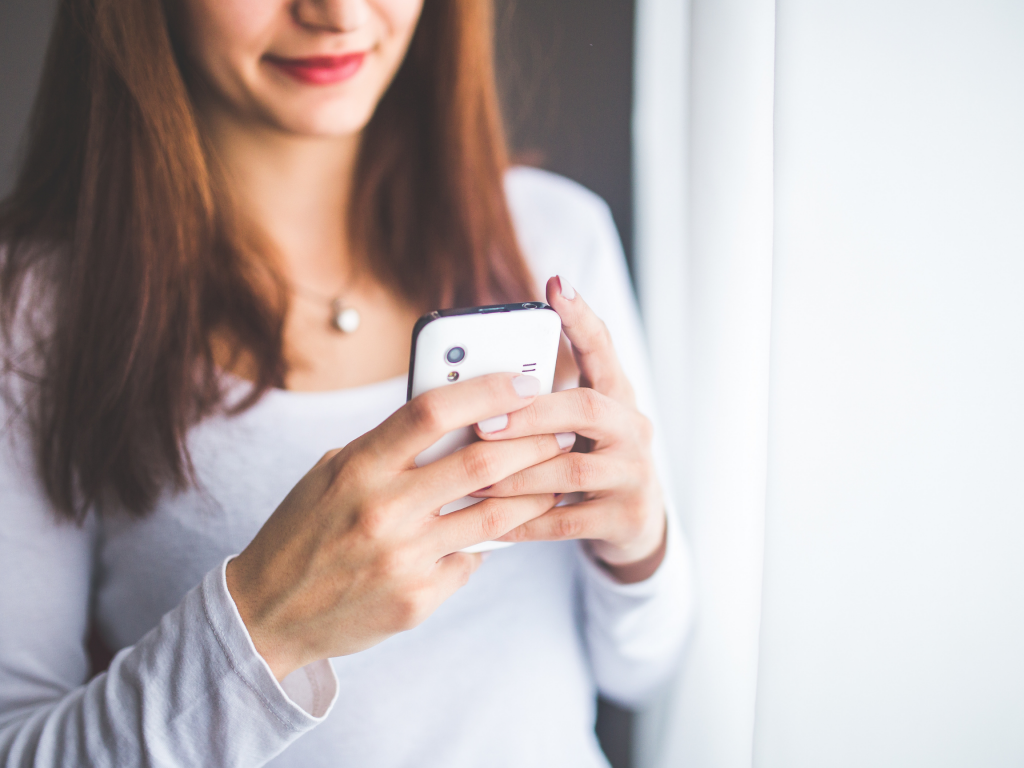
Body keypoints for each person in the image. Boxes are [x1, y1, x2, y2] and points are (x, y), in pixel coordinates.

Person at [0, 0, 692, 765]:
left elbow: (644, 667)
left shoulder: (556, 238)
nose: (335, 14)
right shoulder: (31, 308)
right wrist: (267, 624)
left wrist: (639, 543)